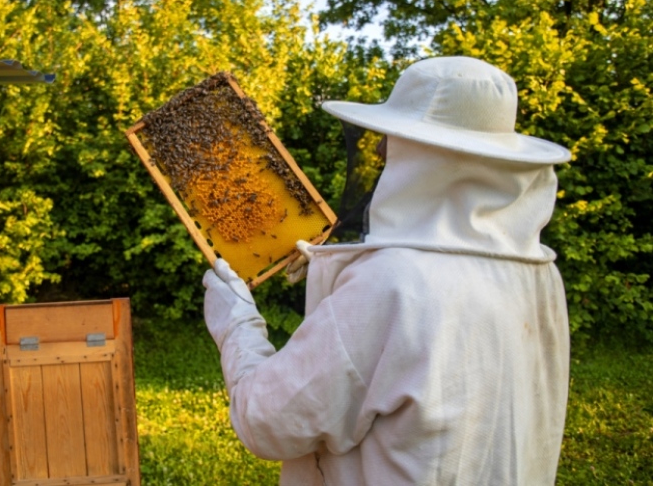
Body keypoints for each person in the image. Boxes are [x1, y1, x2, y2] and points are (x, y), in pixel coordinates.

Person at [202, 56, 571, 485]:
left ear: (422, 155)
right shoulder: (540, 275)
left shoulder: (391, 284)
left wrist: (236, 324)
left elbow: (267, 421)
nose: (379, 151)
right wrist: (331, 267)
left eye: (391, 140)